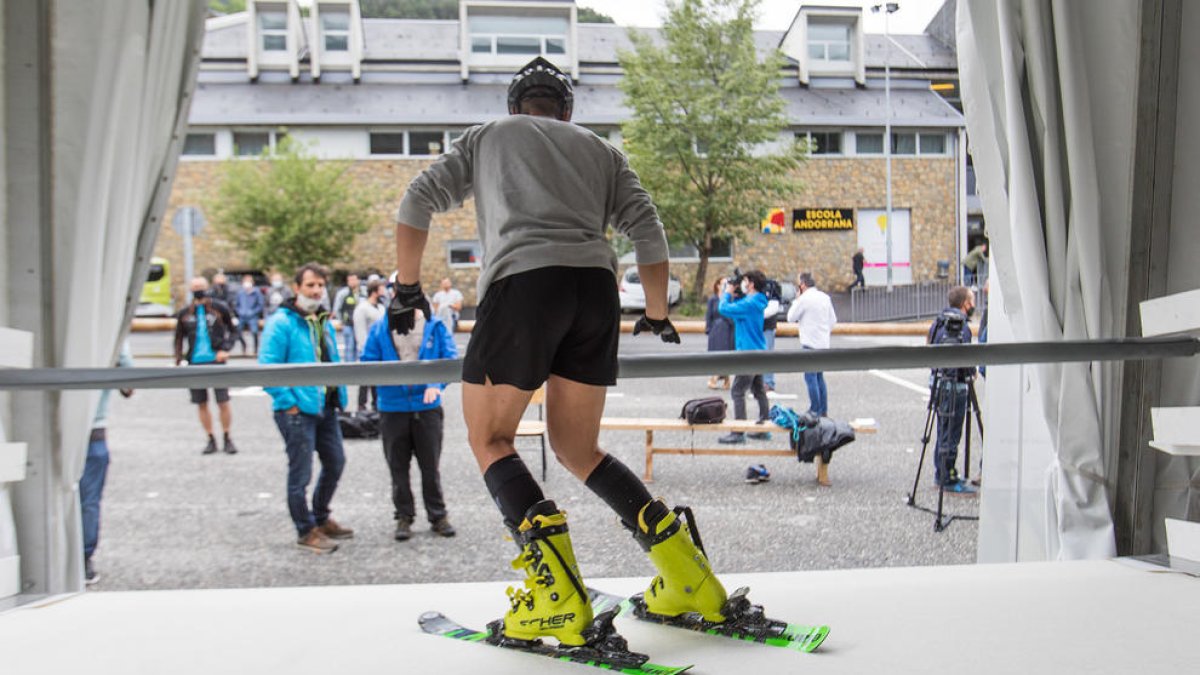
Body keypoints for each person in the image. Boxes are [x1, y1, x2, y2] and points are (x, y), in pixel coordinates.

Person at [390, 56, 731, 647]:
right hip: (594, 292)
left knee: (490, 438)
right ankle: (688, 577)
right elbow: (647, 230)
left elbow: (417, 199)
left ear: (515, 107)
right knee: (577, 448)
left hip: (523, 286)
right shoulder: (602, 152)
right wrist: (656, 312)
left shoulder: (488, 136)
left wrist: (406, 286)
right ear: (566, 112)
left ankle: (557, 599)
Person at [260, 262, 354, 553]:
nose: (316, 290)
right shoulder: (282, 322)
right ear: (297, 287)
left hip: (325, 406)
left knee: (336, 462)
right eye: (310, 285)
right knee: (300, 474)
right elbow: (267, 367)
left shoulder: (321, 319)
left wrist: (339, 395)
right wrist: (287, 403)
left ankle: (321, 517)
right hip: (297, 411)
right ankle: (305, 529)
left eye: (320, 285)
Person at [360, 297, 458, 541]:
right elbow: (368, 362)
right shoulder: (381, 328)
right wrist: (386, 384)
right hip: (393, 407)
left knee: (430, 466)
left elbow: (450, 360)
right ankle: (404, 515)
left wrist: (436, 384)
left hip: (427, 408)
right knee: (398, 467)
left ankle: (438, 515)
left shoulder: (435, 325)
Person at [80, 341, 133, 585]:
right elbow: (128, 383)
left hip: (48, 428)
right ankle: (83, 559)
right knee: (88, 500)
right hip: (94, 429)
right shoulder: (107, 333)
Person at [173, 276, 239, 455]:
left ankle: (227, 436)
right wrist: (178, 359)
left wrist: (225, 348)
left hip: (216, 360)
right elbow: (178, 338)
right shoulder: (185, 313)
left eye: (201, 287)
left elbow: (234, 331)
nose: (198, 290)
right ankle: (210, 438)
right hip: (195, 362)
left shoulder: (219, 308)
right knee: (201, 402)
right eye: (195, 287)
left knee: (223, 401)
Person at [927, 285, 977, 494]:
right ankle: (947, 477)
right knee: (952, 433)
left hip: (938, 382)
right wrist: (971, 372)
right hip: (955, 386)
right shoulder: (961, 326)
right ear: (965, 303)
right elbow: (964, 358)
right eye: (972, 300)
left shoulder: (938, 322)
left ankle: (941, 473)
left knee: (942, 429)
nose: (974, 304)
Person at [716, 270, 772, 444]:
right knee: (759, 391)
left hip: (747, 354)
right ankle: (764, 428)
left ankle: (739, 432)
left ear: (752, 284)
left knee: (737, 391)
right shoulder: (758, 301)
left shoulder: (749, 303)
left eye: (746, 281)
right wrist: (735, 295)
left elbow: (723, 308)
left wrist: (727, 293)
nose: (743, 284)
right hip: (759, 351)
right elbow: (738, 310)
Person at [787, 272, 837, 417]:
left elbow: (791, 317)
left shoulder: (804, 299)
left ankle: (814, 408)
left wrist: (796, 300)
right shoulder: (825, 297)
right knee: (820, 377)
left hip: (809, 343)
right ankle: (823, 409)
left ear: (802, 285)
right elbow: (833, 320)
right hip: (823, 343)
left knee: (810, 377)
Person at [352, 279, 386, 411]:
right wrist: (364, 349)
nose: (384, 291)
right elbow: (360, 331)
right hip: (367, 349)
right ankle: (361, 406)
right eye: (381, 289)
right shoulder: (362, 309)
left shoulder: (382, 308)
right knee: (365, 379)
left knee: (377, 380)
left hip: (380, 349)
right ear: (374, 291)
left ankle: (376, 405)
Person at [704, 277, 734, 390]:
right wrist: (708, 328)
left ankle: (724, 378)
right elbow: (709, 315)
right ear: (717, 285)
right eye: (723, 283)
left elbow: (731, 314)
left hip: (727, 328)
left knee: (726, 353)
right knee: (715, 353)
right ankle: (716, 376)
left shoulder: (729, 299)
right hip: (715, 329)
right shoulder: (713, 299)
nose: (725, 286)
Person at [333, 273, 362, 362]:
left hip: (359, 325)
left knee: (359, 347)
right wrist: (342, 321)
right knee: (349, 347)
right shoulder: (343, 293)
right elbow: (336, 308)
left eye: (354, 280)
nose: (352, 282)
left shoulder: (362, 293)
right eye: (350, 280)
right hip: (347, 324)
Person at [760, 277, 782, 393]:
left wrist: (756, 315)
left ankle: (768, 382)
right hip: (760, 326)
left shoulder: (771, 288)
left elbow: (773, 308)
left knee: (767, 355)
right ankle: (760, 382)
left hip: (767, 327)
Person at [234, 274, 265, 355]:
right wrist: (239, 311)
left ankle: (255, 350)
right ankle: (244, 346)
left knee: (254, 332)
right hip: (242, 316)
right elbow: (236, 304)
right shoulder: (240, 293)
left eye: (249, 281)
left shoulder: (257, 292)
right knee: (237, 332)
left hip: (253, 316)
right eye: (245, 281)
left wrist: (253, 312)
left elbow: (260, 305)